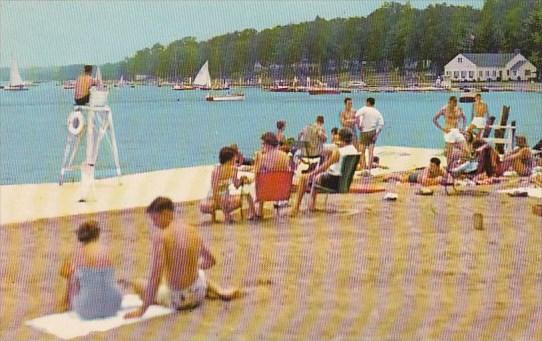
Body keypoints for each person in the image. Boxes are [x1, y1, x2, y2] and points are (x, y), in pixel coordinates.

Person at [125, 197, 242, 318]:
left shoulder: (161, 237)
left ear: (165, 214)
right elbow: (211, 261)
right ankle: (220, 290)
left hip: (180, 299)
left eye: (155, 219)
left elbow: (156, 276)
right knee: (198, 272)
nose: (154, 224)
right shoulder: (191, 230)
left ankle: (215, 290)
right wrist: (191, 266)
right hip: (199, 291)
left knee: (138, 284)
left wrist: (142, 310)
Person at [59, 220, 122, 319]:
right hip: (113, 305)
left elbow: (63, 273)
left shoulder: (76, 253)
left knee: (72, 275)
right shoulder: (106, 250)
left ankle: (65, 304)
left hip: (88, 308)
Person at [291, 128, 358, 216]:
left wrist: (310, 174)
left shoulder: (337, 152)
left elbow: (323, 167)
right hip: (343, 182)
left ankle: (295, 208)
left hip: (333, 181)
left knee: (304, 178)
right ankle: (311, 206)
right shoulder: (354, 150)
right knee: (315, 178)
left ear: (339, 137)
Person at [200, 147, 257, 223]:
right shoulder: (216, 171)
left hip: (225, 197)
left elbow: (236, 185)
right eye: (234, 157)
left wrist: (242, 180)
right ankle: (223, 215)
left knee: (240, 198)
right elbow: (215, 192)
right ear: (229, 159)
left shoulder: (233, 170)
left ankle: (253, 213)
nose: (236, 159)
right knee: (216, 201)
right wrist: (225, 213)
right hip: (214, 198)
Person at [254, 132, 293, 217]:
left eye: (263, 144)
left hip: (267, 192)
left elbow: (256, 174)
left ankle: (257, 212)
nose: (262, 146)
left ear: (268, 144)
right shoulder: (285, 156)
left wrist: (257, 159)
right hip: (282, 191)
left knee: (254, 184)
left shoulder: (264, 158)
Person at [355, 97, 384, 171]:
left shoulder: (364, 109)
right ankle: (369, 169)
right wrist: (377, 134)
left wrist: (358, 126)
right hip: (373, 131)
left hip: (364, 131)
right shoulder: (377, 112)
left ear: (368, 102)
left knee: (362, 151)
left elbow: (356, 115)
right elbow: (381, 124)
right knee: (371, 152)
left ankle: (364, 167)